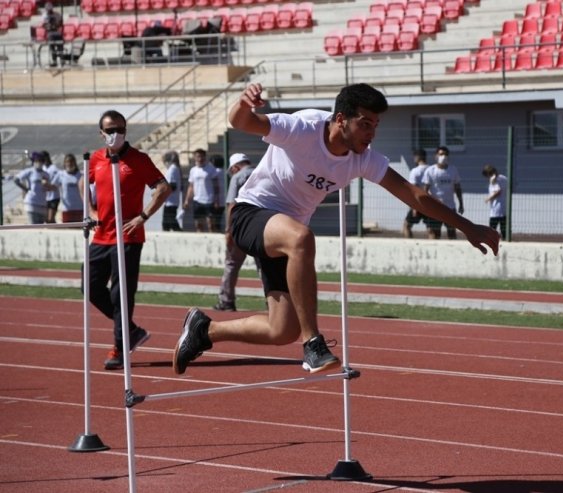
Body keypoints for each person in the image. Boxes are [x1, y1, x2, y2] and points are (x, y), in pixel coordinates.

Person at [172, 82, 499, 377]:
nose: (371, 133)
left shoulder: (362, 159)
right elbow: (242, 122)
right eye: (365, 124)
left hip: (285, 234)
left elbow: (414, 194)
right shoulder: (302, 128)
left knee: (280, 329)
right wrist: (244, 104)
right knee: (301, 238)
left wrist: (467, 227)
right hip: (251, 213)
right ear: (341, 118)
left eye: (376, 125)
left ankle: (205, 329)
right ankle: (312, 343)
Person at [83, 109, 171, 370]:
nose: (115, 134)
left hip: (128, 237)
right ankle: (131, 330)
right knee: (89, 285)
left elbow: (163, 188)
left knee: (122, 294)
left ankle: (120, 348)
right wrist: (91, 210)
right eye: (110, 130)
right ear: (101, 133)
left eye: (120, 129)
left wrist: (143, 216)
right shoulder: (96, 158)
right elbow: (82, 182)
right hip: (101, 236)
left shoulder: (139, 159)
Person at [213, 152, 256, 311]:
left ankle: (226, 301)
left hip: (240, 227)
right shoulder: (262, 173)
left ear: (235, 167)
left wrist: (228, 230)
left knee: (231, 264)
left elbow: (231, 204)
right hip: (262, 227)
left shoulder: (237, 177)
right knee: (264, 267)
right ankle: (272, 304)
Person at [422, 146, 464, 239]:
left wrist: (461, 203)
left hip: (450, 207)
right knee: (434, 234)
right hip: (435, 207)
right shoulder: (430, 171)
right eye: (441, 154)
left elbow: (458, 188)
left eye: (445, 154)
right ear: (436, 156)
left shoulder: (453, 170)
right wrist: (424, 206)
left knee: (452, 232)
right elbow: (425, 190)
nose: (443, 156)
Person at [183, 148, 219, 233]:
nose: (200, 159)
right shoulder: (193, 170)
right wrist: (187, 200)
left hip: (209, 200)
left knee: (211, 225)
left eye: (202, 156)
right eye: (198, 156)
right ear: (195, 158)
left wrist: (217, 199)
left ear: (205, 157)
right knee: (198, 225)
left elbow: (216, 185)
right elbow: (191, 186)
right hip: (197, 201)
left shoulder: (211, 169)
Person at [13, 152, 51, 225]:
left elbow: (48, 188)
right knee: (33, 226)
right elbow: (16, 179)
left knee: (40, 227)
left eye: (40, 161)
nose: (39, 163)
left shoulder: (46, 174)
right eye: (37, 161)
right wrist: (26, 189)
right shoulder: (30, 171)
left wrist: (47, 185)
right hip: (32, 203)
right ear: (33, 161)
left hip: (42, 203)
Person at [402, 148, 430, 238]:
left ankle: (410, 245)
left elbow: (413, 190)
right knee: (431, 229)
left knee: (406, 226)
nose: (414, 158)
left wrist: (414, 207)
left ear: (418, 157)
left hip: (418, 203)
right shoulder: (431, 169)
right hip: (430, 202)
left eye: (415, 156)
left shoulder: (415, 171)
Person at [50, 153, 84, 223]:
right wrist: (44, 183)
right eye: (67, 162)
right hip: (67, 209)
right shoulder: (60, 174)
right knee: (68, 229)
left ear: (75, 162)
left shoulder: (81, 175)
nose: (69, 163)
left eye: (71, 161)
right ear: (64, 163)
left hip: (79, 208)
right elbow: (52, 187)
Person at [483, 164, 508, 241]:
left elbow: (498, 191)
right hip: (504, 208)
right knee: (503, 228)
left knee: (492, 229)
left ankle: (491, 241)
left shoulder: (494, 180)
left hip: (496, 209)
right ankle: (504, 240)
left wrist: (488, 198)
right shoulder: (503, 178)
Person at [161, 150, 183, 231]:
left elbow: (172, 185)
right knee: (167, 223)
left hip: (171, 201)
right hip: (169, 200)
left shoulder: (173, 169)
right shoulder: (173, 168)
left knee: (169, 223)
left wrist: (160, 192)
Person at [40, 150, 61, 223]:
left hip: (53, 197)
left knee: (50, 218)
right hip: (44, 197)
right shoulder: (41, 168)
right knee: (46, 219)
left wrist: (48, 185)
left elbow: (55, 184)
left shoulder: (54, 168)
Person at [42, 2, 64, 67]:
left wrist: (55, 24)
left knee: (60, 47)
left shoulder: (57, 14)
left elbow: (60, 24)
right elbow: (44, 26)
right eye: (47, 9)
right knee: (52, 48)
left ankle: (62, 60)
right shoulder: (45, 16)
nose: (49, 10)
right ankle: (54, 61)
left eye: (50, 9)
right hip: (50, 34)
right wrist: (48, 25)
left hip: (58, 33)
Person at [211, 154, 226, 232]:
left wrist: (215, 200)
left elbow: (216, 187)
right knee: (218, 219)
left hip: (217, 199)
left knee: (214, 221)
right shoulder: (225, 172)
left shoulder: (215, 172)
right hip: (223, 199)